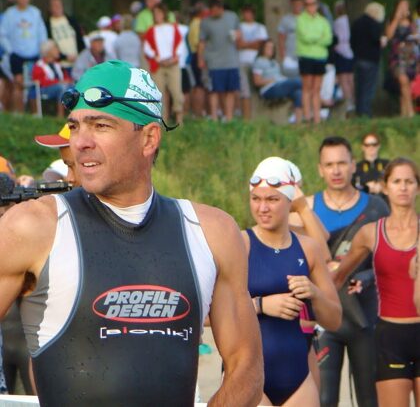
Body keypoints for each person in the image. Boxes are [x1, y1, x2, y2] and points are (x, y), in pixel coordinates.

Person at [0, 59, 263, 406]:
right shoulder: (34, 227)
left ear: (149, 138)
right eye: (75, 126)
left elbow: (247, 367)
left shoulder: (212, 232)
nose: (80, 142)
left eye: (101, 125)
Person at [289, 136, 389, 407]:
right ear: (320, 169)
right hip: (323, 318)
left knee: (370, 399)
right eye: (329, 164)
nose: (336, 170)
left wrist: (366, 277)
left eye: (342, 163)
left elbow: (387, 261)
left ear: (353, 165)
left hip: (365, 316)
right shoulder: (304, 209)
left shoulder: (376, 207)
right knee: (324, 399)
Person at [244, 156, 341, 406]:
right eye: (256, 199)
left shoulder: (308, 248)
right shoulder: (239, 243)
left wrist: (315, 293)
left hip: (297, 377)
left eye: (272, 199)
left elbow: (334, 320)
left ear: (290, 201)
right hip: (247, 376)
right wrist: (261, 305)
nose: (262, 208)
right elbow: (207, 314)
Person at [334, 157, 420, 407]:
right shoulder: (370, 232)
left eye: (409, 182)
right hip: (390, 337)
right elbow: (337, 277)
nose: (403, 187)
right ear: (385, 187)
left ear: (417, 187)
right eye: (396, 181)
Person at [0, 0, 47, 112]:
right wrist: (10, 50)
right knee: (18, 83)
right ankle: (19, 113)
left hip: (34, 54)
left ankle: (36, 114)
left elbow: (42, 33)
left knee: (34, 84)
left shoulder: (35, 13)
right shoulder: (10, 14)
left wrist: (42, 49)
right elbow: (2, 34)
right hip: (16, 54)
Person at [198, 0, 241, 122]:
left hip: (231, 60)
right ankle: (214, 116)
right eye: (211, 10)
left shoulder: (232, 17)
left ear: (221, 8)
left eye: (215, 10)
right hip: (214, 61)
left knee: (230, 90)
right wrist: (200, 59)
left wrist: (237, 35)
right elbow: (202, 42)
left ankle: (229, 117)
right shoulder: (206, 22)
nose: (213, 13)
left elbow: (239, 32)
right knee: (214, 90)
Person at [144, 3, 184, 125]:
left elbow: (179, 44)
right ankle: (163, 119)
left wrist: (175, 57)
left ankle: (179, 118)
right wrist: (157, 58)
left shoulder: (173, 28)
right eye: (155, 13)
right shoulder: (151, 30)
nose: (157, 15)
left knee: (176, 92)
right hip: (159, 65)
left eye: (159, 13)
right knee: (159, 93)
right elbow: (147, 48)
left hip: (172, 63)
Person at [296, 0, 332, 124]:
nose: (310, 7)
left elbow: (328, 39)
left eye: (313, 4)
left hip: (320, 57)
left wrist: (315, 39)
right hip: (306, 56)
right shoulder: (300, 20)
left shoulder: (323, 21)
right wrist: (318, 38)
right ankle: (307, 116)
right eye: (307, 4)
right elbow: (305, 37)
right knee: (307, 87)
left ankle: (317, 117)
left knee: (317, 88)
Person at [252, 39, 303, 122]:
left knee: (298, 93)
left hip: (280, 84)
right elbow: (256, 81)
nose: (270, 50)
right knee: (298, 82)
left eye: (272, 48)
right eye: (268, 47)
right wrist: (271, 80)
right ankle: (319, 99)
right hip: (269, 88)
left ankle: (298, 122)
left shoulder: (274, 62)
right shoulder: (259, 62)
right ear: (263, 48)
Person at [351, 2, 386, 117]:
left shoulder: (357, 23)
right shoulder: (374, 24)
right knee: (368, 88)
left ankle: (359, 111)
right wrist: (382, 42)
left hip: (358, 59)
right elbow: (376, 39)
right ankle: (365, 113)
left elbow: (352, 42)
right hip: (370, 60)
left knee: (359, 88)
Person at [386, 0, 418, 118]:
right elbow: (389, 35)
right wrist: (396, 18)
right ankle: (410, 111)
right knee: (403, 80)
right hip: (397, 56)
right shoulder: (392, 20)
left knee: (407, 84)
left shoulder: (411, 22)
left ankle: (404, 113)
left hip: (410, 56)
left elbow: (416, 37)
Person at [237, 4, 268, 119]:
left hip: (256, 62)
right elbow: (238, 44)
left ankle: (257, 115)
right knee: (245, 90)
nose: (247, 15)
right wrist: (253, 44)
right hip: (242, 61)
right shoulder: (239, 27)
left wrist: (245, 44)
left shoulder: (260, 27)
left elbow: (261, 45)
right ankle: (246, 117)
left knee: (256, 88)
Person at [31, 40, 73, 117]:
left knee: (75, 87)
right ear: (48, 51)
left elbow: (66, 77)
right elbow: (40, 81)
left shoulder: (57, 64)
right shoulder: (39, 65)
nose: (58, 51)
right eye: (55, 48)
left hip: (60, 86)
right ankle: (60, 115)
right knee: (62, 87)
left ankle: (75, 114)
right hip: (45, 89)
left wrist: (68, 81)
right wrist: (58, 82)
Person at [45, 0, 85, 74]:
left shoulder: (71, 21)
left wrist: (81, 56)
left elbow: (80, 40)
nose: (58, 7)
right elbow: (49, 46)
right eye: (55, 5)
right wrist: (64, 57)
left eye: (59, 5)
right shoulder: (47, 25)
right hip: (61, 65)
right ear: (50, 8)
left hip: (77, 64)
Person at [333, 0, 354, 113]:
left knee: (343, 79)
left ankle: (348, 102)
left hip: (341, 51)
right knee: (351, 78)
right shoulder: (350, 20)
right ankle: (354, 100)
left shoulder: (338, 22)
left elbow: (337, 38)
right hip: (350, 51)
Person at [277, 0, 304, 78]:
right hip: (289, 55)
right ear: (291, 4)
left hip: (304, 54)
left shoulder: (306, 19)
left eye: (299, 4)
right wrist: (283, 55)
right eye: (295, 4)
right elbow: (281, 38)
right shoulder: (285, 19)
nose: (297, 6)